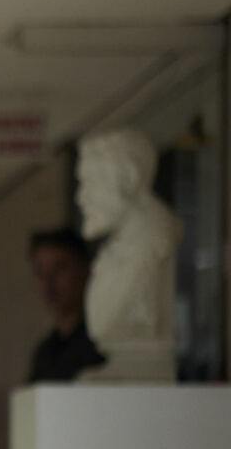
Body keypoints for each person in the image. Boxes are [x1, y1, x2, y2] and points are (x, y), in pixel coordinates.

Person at [74, 126, 181, 381]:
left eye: (91, 183)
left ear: (129, 179)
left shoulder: (151, 241)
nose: (80, 197)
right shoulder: (122, 248)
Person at [27, 228, 106, 381]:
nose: (48, 284)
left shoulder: (102, 343)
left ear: (85, 270)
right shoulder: (45, 351)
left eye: (60, 269)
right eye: (40, 272)